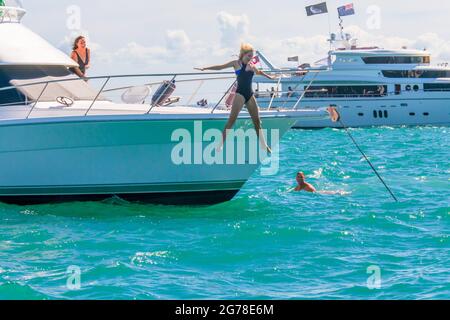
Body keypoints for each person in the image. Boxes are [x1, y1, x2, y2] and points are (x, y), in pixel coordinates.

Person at [195, 43, 277, 152]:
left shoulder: (252, 65)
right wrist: (205, 68)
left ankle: (264, 145)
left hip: (250, 94)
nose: (250, 58)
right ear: (243, 54)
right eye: (248, 56)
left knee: (257, 121)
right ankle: (220, 144)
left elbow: (259, 72)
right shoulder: (236, 63)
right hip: (240, 94)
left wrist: (270, 77)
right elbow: (220, 67)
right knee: (232, 120)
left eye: (251, 56)